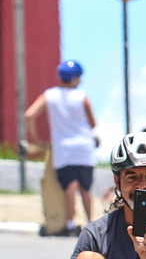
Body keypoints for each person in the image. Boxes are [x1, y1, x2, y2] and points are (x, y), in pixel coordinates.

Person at [24, 60, 97, 237]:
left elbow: (29, 115)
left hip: (62, 149)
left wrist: (37, 139)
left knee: (69, 187)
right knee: (85, 188)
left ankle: (70, 224)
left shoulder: (49, 95)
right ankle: (92, 224)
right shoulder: (82, 97)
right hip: (84, 148)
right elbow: (93, 123)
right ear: (77, 78)